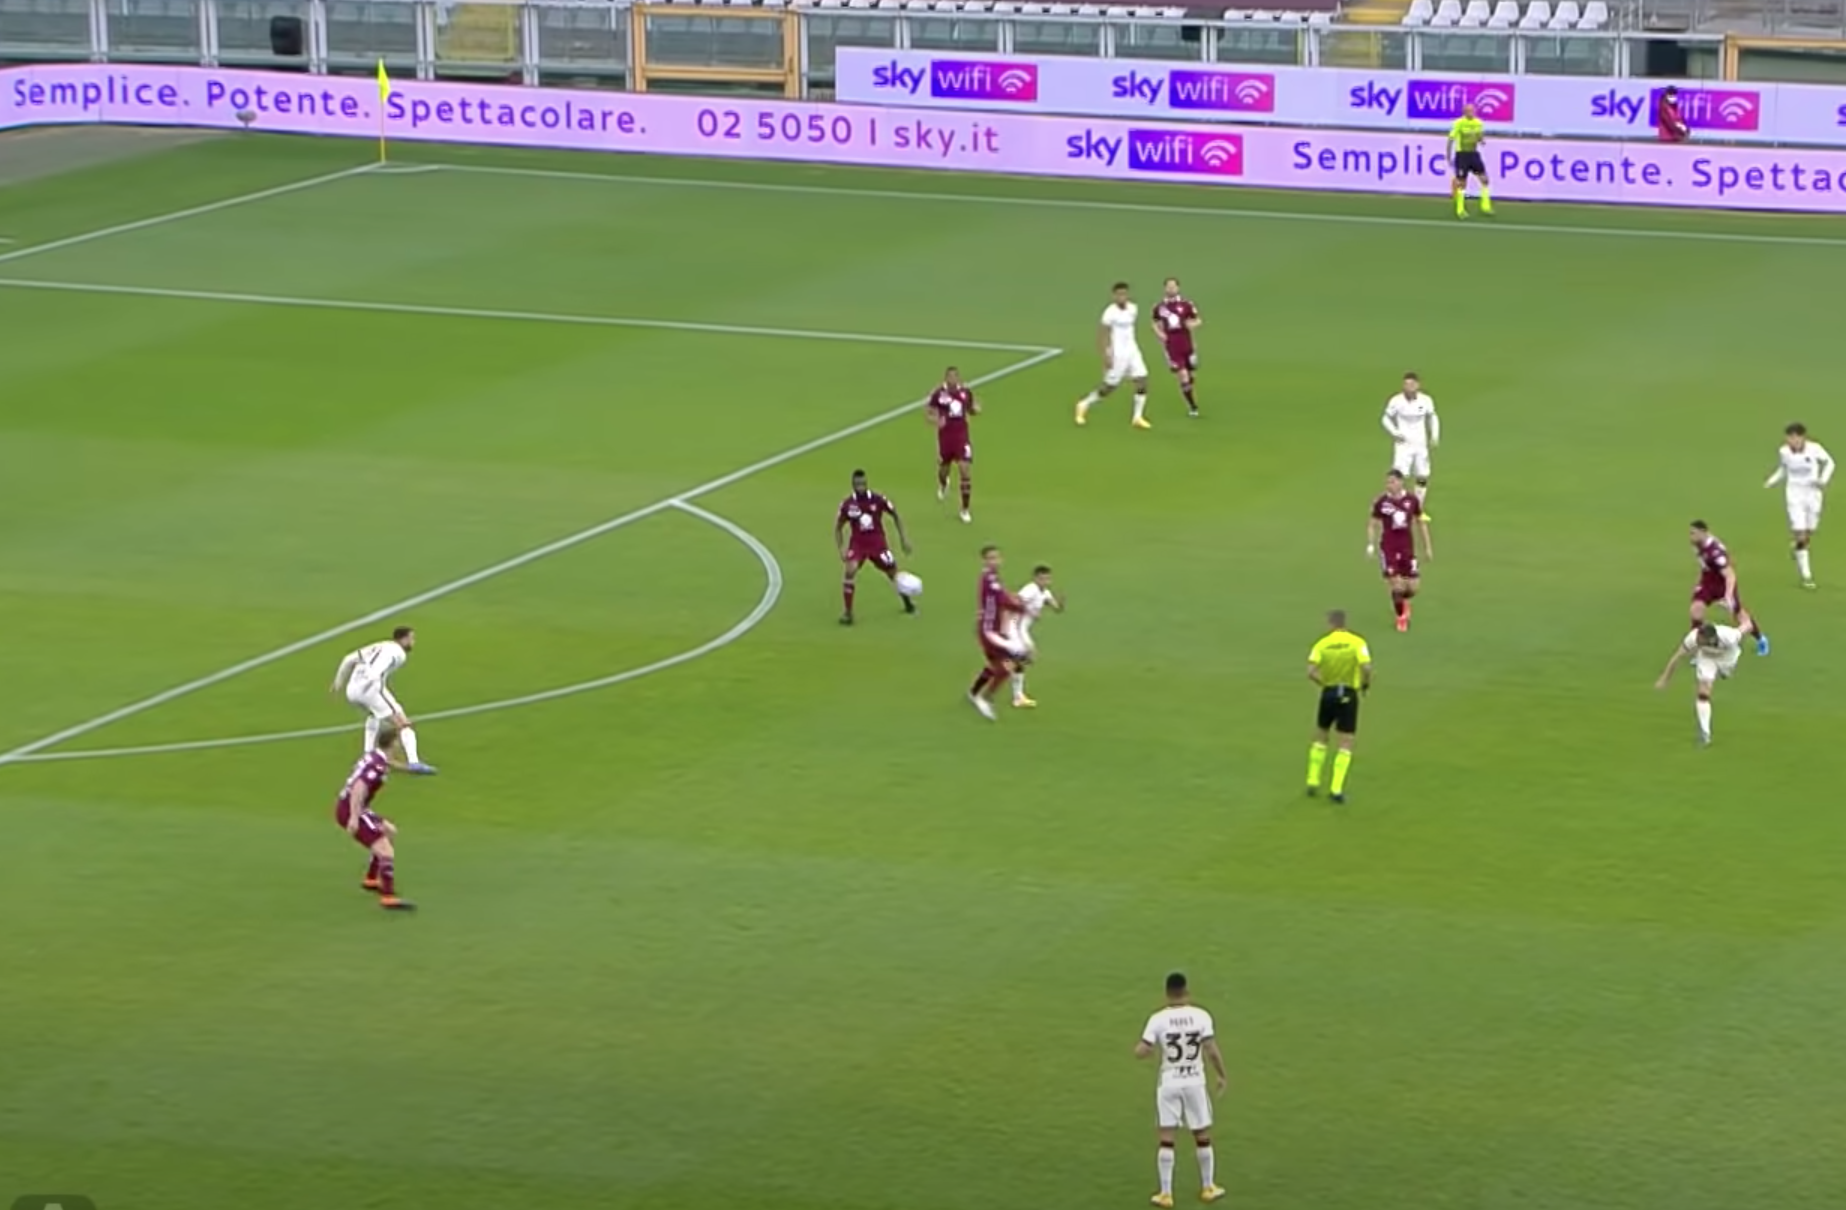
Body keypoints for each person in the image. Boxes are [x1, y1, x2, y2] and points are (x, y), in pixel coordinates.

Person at [1135, 971, 1229, 1208]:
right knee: (1202, 1134)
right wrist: (1221, 1074)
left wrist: (1142, 1051)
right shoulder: (1201, 1016)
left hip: (1169, 1082)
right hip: (1194, 1081)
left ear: (1167, 993)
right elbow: (1211, 1049)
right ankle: (1208, 1187)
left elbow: (1143, 1050)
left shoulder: (1158, 1019)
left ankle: (1166, 1194)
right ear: (1186, 991)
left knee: (1166, 1137)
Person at [330, 626, 437, 775]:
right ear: (404, 639)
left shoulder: (380, 645)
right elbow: (376, 673)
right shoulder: (398, 653)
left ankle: (367, 757)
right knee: (403, 723)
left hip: (352, 691)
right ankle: (414, 762)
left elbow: (348, 659)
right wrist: (368, 687)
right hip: (371, 690)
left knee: (373, 716)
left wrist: (338, 682)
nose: (413, 642)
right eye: (411, 638)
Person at [334, 722, 417, 910]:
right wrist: (354, 818)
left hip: (353, 806)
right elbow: (359, 788)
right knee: (386, 851)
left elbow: (388, 764)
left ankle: (371, 879)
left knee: (388, 831)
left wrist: (409, 769)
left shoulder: (376, 757)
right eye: (397, 741)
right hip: (352, 808)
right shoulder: (377, 765)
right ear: (392, 742)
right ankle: (388, 897)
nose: (399, 745)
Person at [1305, 610, 1372, 803]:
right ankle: (1336, 789)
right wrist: (1365, 683)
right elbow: (1366, 667)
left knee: (1321, 735)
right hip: (1348, 693)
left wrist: (1324, 683)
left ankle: (1312, 780)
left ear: (1330, 623)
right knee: (1346, 741)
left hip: (1328, 692)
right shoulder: (1357, 642)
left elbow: (1311, 671)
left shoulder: (1322, 644)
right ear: (1345, 623)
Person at [834, 469, 915, 625]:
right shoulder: (848, 504)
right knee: (850, 571)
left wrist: (903, 539)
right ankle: (848, 613)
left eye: (862, 483)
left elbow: (895, 515)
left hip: (877, 544)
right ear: (853, 485)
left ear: (866, 483)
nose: (860, 486)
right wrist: (841, 549)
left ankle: (907, 602)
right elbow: (838, 527)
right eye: (857, 484)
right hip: (858, 544)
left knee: (893, 572)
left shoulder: (878, 500)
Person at [1076, 282, 1152, 430]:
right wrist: (1105, 355)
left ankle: (1137, 417)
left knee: (1142, 381)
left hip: (1133, 352)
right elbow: (1102, 334)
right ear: (1114, 296)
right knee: (1108, 388)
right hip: (1117, 354)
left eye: (1124, 294)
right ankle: (1084, 404)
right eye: (1119, 294)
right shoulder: (1109, 313)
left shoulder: (1133, 309)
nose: (1122, 297)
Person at [1765, 422, 1833, 588]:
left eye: (1796, 437)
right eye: (1790, 437)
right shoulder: (1784, 451)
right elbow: (1784, 469)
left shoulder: (1814, 449)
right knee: (1800, 532)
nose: (1793, 441)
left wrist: (1823, 480)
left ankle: (1797, 546)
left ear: (1803, 438)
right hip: (1794, 494)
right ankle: (1806, 575)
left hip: (1813, 493)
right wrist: (1772, 481)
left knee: (1809, 531)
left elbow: (1830, 463)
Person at [1656, 621, 1744, 746]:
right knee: (1703, 693)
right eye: (1697, 638)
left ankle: (1722, 672)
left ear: (1711, 639)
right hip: (1706, 658)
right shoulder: (1692, 638)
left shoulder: (1729, 635)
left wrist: (1758, 636)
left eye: (1700, 640)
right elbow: (1677, 657)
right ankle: (1705, 733)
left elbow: (1746, 627)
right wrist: (1665, 678)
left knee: (1725, 674)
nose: (1697, 641)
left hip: (1727, 658)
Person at [1366, 471, 1433, 632]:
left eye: (1392, 482)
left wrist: (1427, 547)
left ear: (1401, 482)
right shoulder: (1382, 502)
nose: (1389, 485)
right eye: (1388, 482)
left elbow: (1421, 522)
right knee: (1396, 586)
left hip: (1407, 547)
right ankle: (1401, 617)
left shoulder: (1412, 500)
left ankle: (1403, 602)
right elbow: (1372, 523)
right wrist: (1370, 544)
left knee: (1412, 588)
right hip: (1388, 547)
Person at [1688, 520, 1767, 655]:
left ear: (1703, 533)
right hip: (1708, 582)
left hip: (1723, 584)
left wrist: (1728, 595)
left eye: (1693, 533)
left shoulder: (1715, 553)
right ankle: (1700, 648)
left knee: (1740, 616)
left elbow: (1730, 575)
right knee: (1696, 610)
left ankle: (1761, 639)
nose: (1691, 537)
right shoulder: (1700, 542)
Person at [969, 544, 1024, 720]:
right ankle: (985, 699)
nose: (995, 561)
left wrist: (1014, 601)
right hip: (989, 632)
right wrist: (1022, 607)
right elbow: (1004, 601)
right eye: (991, 558)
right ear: (984, 561)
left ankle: (974, 692)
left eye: (997, 557)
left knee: (996, 664)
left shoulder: (992, 578)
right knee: (1009, 664)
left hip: (990, 629)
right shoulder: (989, 580)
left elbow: (1002, 596)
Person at [926, 366, 979, 524]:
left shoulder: (965, 393)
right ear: (946, 378)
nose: (952, 379)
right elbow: (928, 413)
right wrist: (936, 421)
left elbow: (971, 408)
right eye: (950, 377)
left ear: (958, 378)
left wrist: (976, 410)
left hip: (961, 438)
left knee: (965, 471)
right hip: (945, 438)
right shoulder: (938, 394)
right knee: (943, 470)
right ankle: (944, 483)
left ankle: (965, 509)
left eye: (955, 377)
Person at [1005, 564, 1063, 708]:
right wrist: (1031, 612)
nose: (1045, 581)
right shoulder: (1030, 589)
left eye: (1047, 579)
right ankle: (1016, 693)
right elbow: (1016, 601)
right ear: (1035, 578)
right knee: (1029, 654)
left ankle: (1009, 670)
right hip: (1015, 627)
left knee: (1025, 659)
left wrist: (1060, 605)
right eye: (1042, 579)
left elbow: (1055, 608)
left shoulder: (1045, 593)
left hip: (1021, 628)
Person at [1380, 372, 1441, 505]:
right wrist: (1395, 432)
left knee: (1422, 475)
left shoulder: (1425, 400)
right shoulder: (1396, 401)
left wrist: (1435, 435)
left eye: (1412, 384)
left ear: (1418, 385)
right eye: (1406, 384)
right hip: (1403, 444)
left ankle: (1418, 506)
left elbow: (1432, 417)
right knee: (1398, 474)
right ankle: (1396, 504)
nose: (1409, 387)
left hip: (1420, 444)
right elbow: (1385, 418)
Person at [1151, 278, 1203, 417]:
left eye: (1173, 286)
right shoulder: (1160, 307)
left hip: (1186, 342)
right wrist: (1160, 334)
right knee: (1183, 375)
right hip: (1172, 345)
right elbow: (1155, 322)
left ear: (1178, 288)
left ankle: (1189, 389)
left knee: (1191, 374)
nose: (1171, 289)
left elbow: (1198, 320)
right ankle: (1192, 406)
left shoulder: (1186, 304)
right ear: (1165, 288)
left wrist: (1193, 324)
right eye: (1169, 286)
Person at [1448, 103, 1493, 218]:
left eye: (1472, 111)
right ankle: (1460, 210)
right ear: (1464, 112)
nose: (1471, 113)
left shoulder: (1478, 123)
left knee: (1484, 179)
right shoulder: (1459, 123)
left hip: (1474, 155)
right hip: (1462, 155)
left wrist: (1481, 140)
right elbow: (1451, 139)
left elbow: (1479, 136)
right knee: (1462, 183)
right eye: (1468, 111)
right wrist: (1448, 155)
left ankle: (1486, 207)